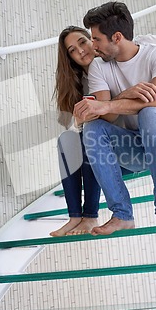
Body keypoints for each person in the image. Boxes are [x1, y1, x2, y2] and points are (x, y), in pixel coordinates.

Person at [73, 2, 156, 235]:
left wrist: (109, 103)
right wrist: (124, 96)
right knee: (93, 128)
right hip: (138, 147)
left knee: (150, 113)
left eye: (97, 39)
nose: (92, 45)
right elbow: (104, 115)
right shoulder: (99, 67)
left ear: (117, 37)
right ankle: (121, 214)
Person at [50, 26, 101, 236]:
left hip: (120, 136)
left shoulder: (109, 63)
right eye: (72, 50)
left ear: (92, 40)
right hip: (96, 135)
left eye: (82, 42)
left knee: (90, 137)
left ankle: (90, 216)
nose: (80, 50)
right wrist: (79, 119)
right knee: (67, 139)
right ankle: (75, 216)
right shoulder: (78, 80)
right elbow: (66, 121)